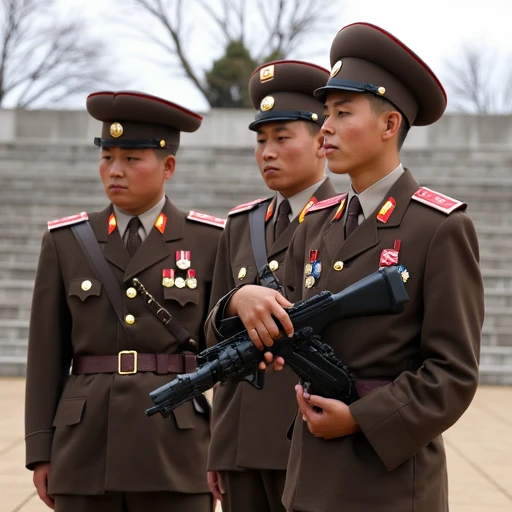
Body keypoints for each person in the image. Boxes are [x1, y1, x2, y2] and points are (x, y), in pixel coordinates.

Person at [206, 23, 485, 512]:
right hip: (309, 475)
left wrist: (360, 417)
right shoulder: (317, 224)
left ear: (389, 124)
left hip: (389, 481)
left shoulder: (436, 227)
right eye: (326, 113)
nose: (326, 127)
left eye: (341, 112)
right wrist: (237, 302)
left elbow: (453, 373)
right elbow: (283, 327)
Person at [25, 90, 225, 512]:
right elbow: (45, 355)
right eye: (107, 156)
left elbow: (224, 358)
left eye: (132, 159)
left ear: (168, 165)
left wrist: (224, 448)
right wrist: (41, 449)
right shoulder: (67, 242)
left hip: (176, 446)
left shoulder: (209, 240)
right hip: (85, 448)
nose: (115, 170)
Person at [206, 60, 337, 512]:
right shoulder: (242, 225)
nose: (267, 151)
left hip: (309, 434)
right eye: (261, 140)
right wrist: (219, 447)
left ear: (323, 141)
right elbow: (213, 342)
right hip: (243, 445)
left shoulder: (345, 218)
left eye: (282, 138)